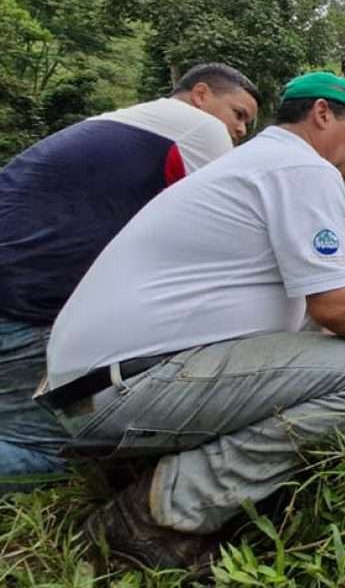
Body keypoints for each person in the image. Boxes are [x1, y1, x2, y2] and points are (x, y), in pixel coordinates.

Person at [37, 72, 345, 572]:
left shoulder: (259, 161)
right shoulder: (303, 168)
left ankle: (137, 466)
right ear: (322, 113)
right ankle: (157, 517)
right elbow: (333, 307)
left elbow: (297, 295)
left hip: (94, 381)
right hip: (128, 386)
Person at [0, 63, 260, 492]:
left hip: (20, 283)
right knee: (58, 452)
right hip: (24, 303)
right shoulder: (198, 129)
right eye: (238, 114)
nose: (241, 130)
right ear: (200, 95)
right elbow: (234, 229)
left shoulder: (123, 121)